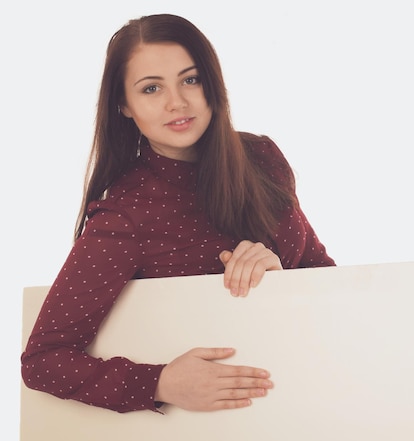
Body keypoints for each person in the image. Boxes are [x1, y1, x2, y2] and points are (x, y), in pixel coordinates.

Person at [21, 13, 335, 414]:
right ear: (124, 105)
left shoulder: (262, 156)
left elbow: (327, 279)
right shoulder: (126, 213)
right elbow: (43, 361)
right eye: (151, 88)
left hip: (311, 402)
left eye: (191, 79)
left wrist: (279, 279)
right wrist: (160, 381)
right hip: (204, 439)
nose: (177, 102)